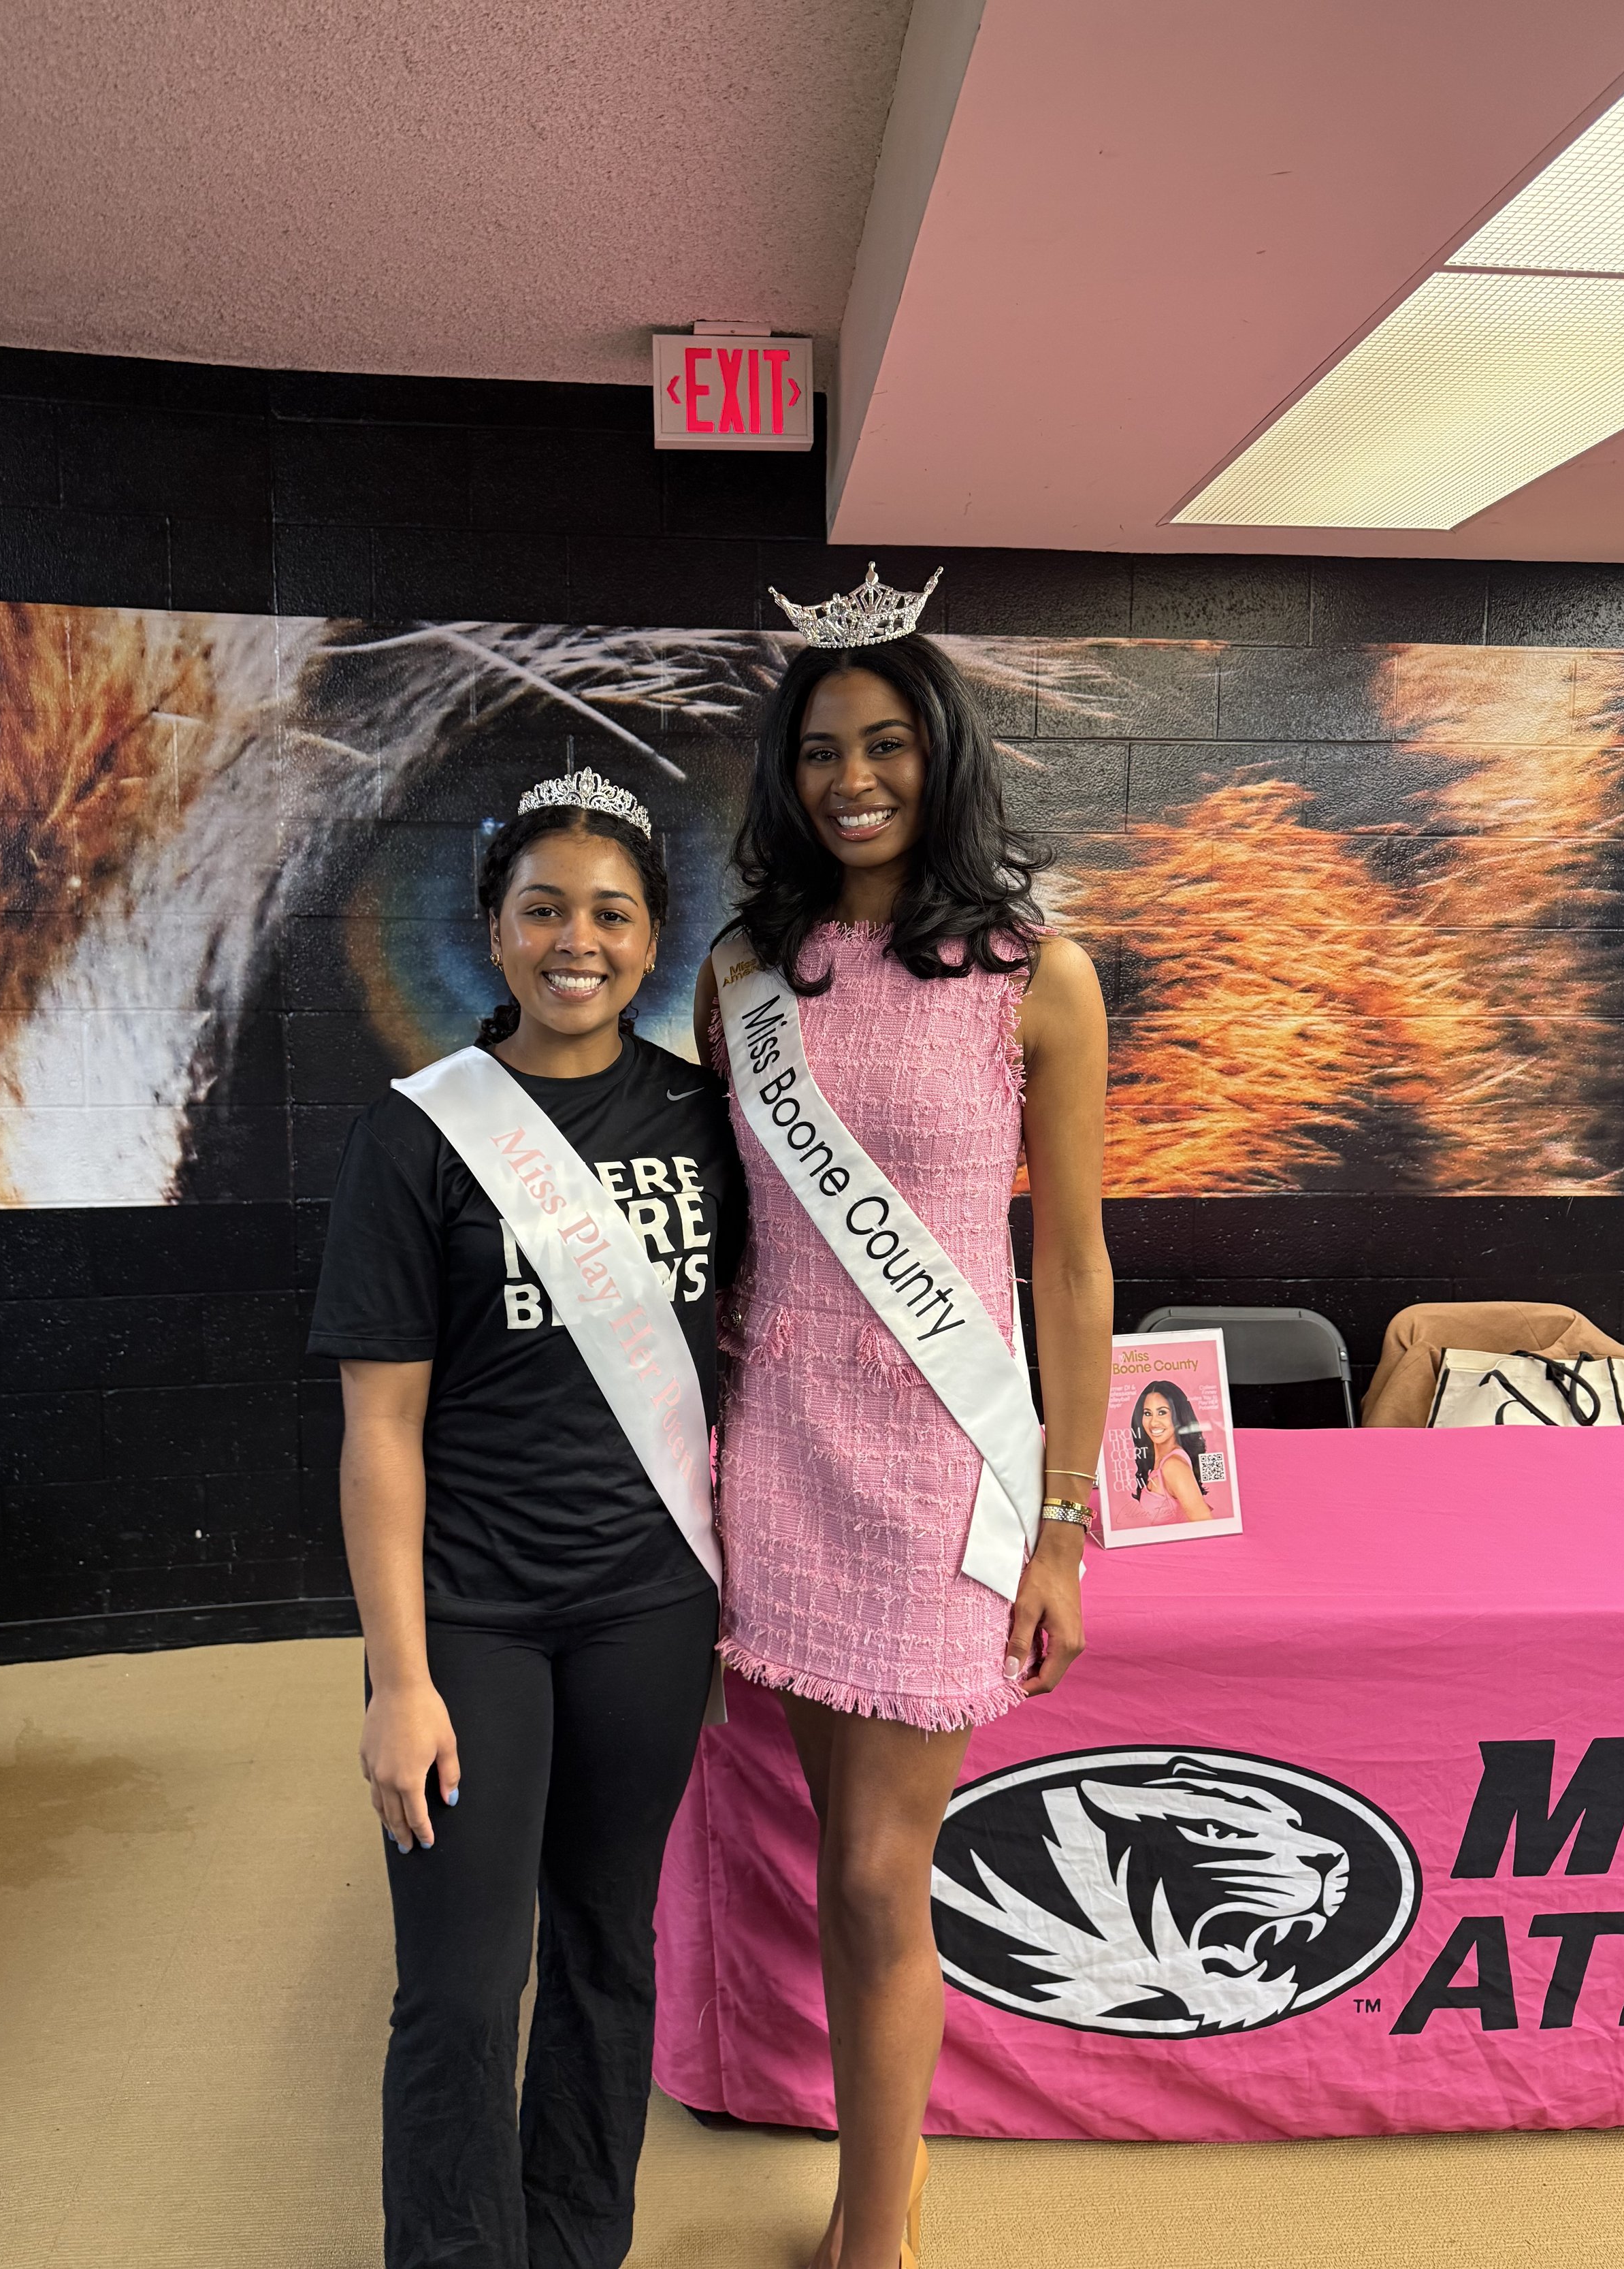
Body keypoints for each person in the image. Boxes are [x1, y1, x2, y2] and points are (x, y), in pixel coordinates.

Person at [693, 569, 1113, 2269]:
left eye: (883, 744)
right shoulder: (744, 975)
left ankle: (883, 2232)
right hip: (780, 1453)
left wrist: (1067, 1524)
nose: (850, 778)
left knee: (877, 1877)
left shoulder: (1040, 974)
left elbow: (1072, 1266)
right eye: (817, 752)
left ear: (940, 754)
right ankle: (884, 2194)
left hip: (945, 1472)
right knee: (832, 1858)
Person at [308, 772, 746, 2269]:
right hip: (470, 1614)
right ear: (493, 933)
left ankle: (573, 2240)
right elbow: (379, 1423)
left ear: (652, 938)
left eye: (610, 912)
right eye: (542, 908)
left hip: (648, 1605)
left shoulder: (709, 1115)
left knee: (606, 1952)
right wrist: (400, 1676)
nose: (578, 939)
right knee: (458, 1976)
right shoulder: (418, 1135)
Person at [1126, 1380, 1215, 1524]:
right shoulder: (1159, 1462)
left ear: (1178, 1415)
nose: (1154, 1422)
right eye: (1147, 1413)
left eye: (1162, 1412)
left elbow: (1206, 1525)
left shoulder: (1173, 1465)